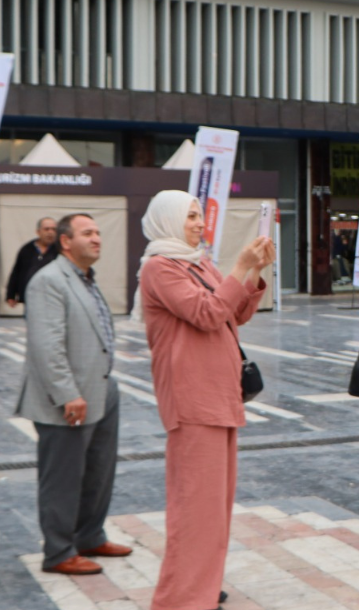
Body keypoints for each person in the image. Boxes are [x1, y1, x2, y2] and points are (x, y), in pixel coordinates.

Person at [137, 190, 272, 610]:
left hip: (218, 396)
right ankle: (181, 599)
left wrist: (253, 275)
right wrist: (240, 266)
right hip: (193, 398)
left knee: (214, 509)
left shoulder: (197, 262)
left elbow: (236, 312)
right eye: (191, 216)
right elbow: (208, 313)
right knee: (195, 509)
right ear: (169, 220)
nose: (199, 223)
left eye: (200, 215)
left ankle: (201, 587)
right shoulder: (160, 268)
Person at [18, 214, 131, 576]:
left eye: (98, 232)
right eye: (88, 233)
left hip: (101, 387)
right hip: (68, 400)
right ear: (65, 241)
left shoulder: (85, 279)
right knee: (63, 478)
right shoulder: (48, 281)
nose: (97, 239)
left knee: (99, 472)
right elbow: (46, 345)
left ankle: (89, 535)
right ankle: (58, 552)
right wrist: (68, 393)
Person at [6, 217, 60, 307]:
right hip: (30, 297)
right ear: (38, 232)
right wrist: (10, 295)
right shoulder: (27, 249)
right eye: (46, 229)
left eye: (53, 229)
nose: (50, 232)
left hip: (53, 298)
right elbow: (16, 271)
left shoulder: (61, 251)